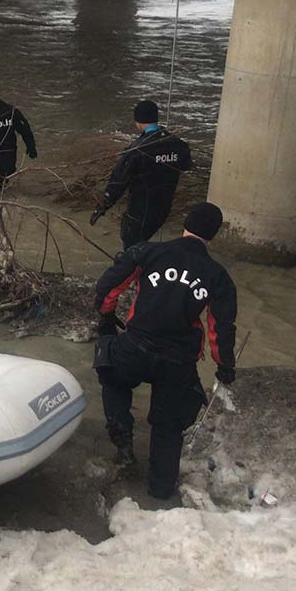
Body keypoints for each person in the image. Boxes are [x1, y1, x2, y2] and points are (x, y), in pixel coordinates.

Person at [93, 202, 237, 500]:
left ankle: (122, 440)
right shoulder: (217, 275)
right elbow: (220, 327)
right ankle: (160, 490)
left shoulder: (148, 252)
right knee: (168, 424)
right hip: (178, 359)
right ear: (213, 235)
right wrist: (225, 365)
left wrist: (106, 316)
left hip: (135, 346)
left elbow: (108, 287)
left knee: (111, 369)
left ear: (185, 223)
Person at [90, 100, 193, 249]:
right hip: (164, 209)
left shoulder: (137, 149)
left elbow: (118, 181)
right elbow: (186, 165)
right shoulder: (179, 145)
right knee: (143, 244)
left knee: (132, 249)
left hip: (140, 212)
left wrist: (103, 206)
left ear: (138, 121)